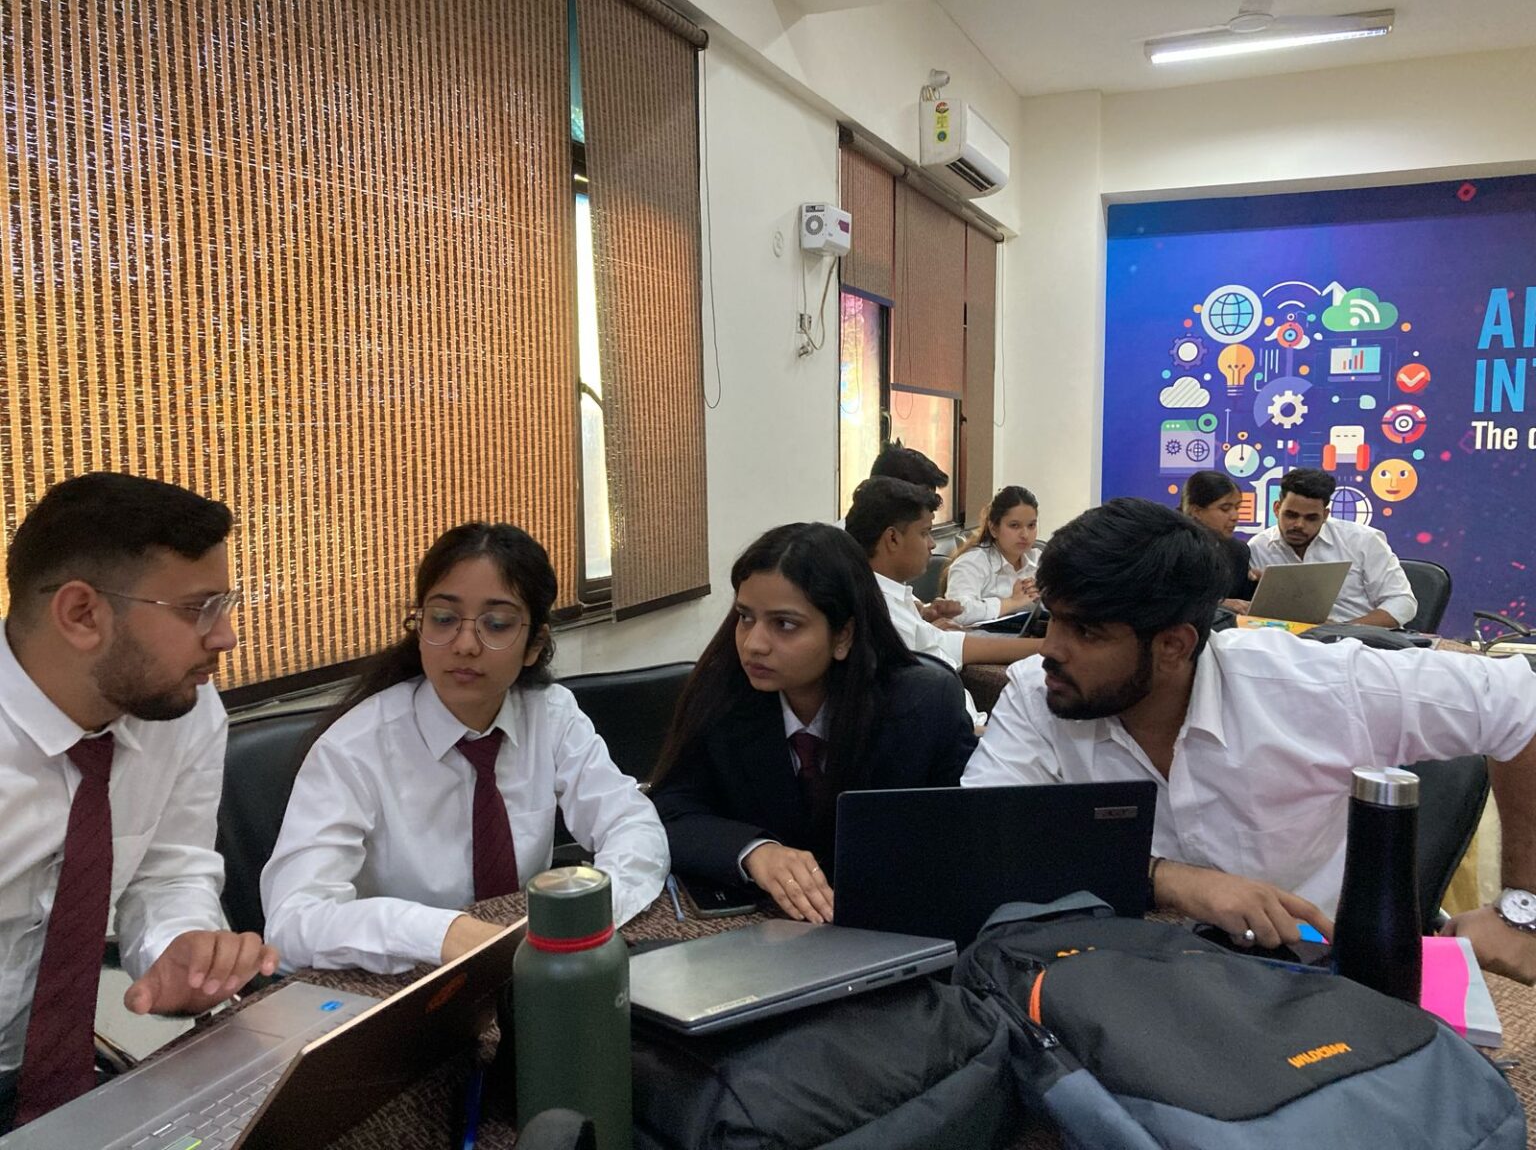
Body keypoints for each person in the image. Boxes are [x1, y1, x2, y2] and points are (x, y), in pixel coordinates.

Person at [962, 498, 1536, 983]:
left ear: (1174, 646)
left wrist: (1520, 910)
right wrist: (1167, 878)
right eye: (1052, 620)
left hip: (1315, 980)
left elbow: (1522, 702)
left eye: (1086, 631)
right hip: (1126, 982)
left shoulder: (1311, 685)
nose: (1051, 649)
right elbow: (984, 836)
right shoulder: (1039, 691)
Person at [260, 523, 667, 976]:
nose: (466, 645)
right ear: (419, 626)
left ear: (533, 645)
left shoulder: (550, 714)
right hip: (397, 980)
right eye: (443, 619)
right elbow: (293, 920)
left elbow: (631, 824)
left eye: (497, 624)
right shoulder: (352, 749)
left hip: (527, 962)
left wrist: (588, 913)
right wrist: (441, 933)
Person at [0, 473, 277, 1132]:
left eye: (225, 604)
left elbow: (168, 868)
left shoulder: (183, 711)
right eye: (198, 609)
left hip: (60, 1076)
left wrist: (180, 947)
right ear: (82, 614)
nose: (226, 637)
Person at [648, 523, 975, 924]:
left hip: (897, 925)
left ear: (843, 635)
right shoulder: (723, 696)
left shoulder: (923, 705)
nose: (754, 644)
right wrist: (754, 851)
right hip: (764, 930)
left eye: (785, 624)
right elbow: (669, 809)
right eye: (745, 617)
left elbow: (966, 838)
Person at [845, 478, 1042, 724]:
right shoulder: (879, 611)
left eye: (1032, 525)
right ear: (892, 539)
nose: (933, 544)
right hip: (955, 735)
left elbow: (949, 643)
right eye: (925, 532)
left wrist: (1045, 646)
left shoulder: (895, 597)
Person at [1248, 468, 1416, 627]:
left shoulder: (1363, 540)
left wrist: (1344, 629)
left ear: (1325, 515)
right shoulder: (1258, 548)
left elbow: (1402, 602)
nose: (1299, 525)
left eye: (1311, 518)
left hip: (1361, 639)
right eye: (1291, 515)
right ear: (1277, 509)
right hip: (1288, 640)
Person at [937, 485, 1042, 626]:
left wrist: (1046, 598)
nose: (1025, 535)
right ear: (993, 529)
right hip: (978, 638)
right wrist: (1012, 602)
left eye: (1031, 525)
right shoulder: (972, 561)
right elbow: (958, 613)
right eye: (1014, 526)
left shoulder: (1038, 559)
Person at [1179, 469, 1258, 610]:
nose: (1235, 516)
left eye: (1237, 508)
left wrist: (1261, 584)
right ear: (1196, 511)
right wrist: (1220, 604)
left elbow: (1246, 604)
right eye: (1225, 509)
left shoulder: (1239, 552)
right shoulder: (1169, 548)